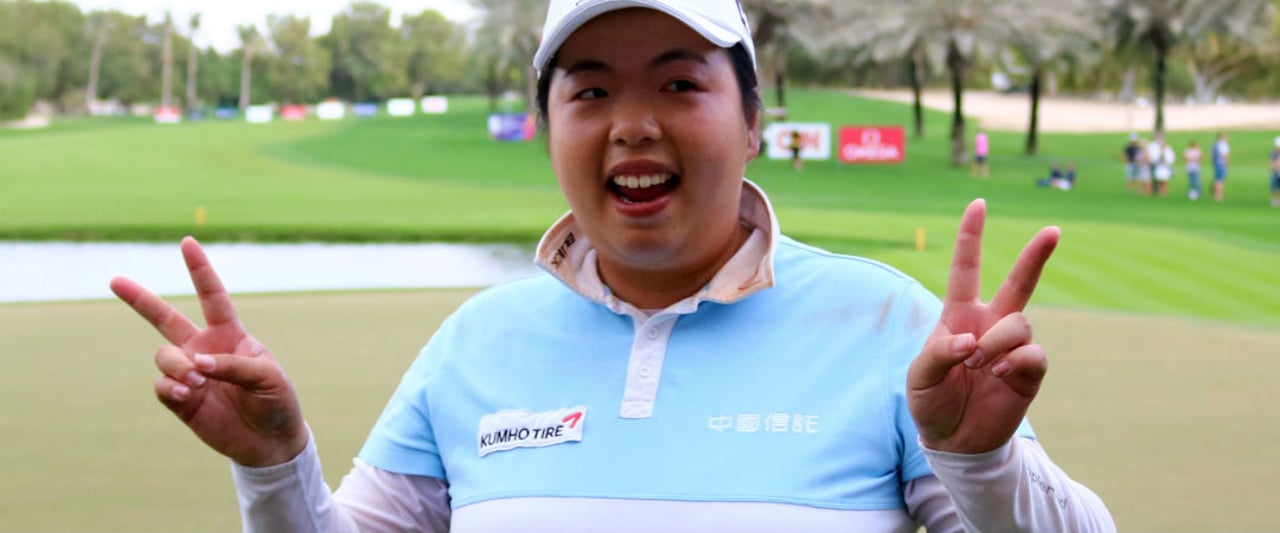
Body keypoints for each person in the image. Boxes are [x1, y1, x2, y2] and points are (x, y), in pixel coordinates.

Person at [109, 2, 1116, 532]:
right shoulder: (476, 341)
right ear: (547, 129)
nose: (632, 124)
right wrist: (275, 466)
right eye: (589, 92)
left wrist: (983, 464)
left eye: (679, 84)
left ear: (752, 122)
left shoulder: (882, 321)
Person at [1211, 131, 1230, 202]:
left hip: (1216, 164)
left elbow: (1212, 156)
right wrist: (1226, 164)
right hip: (1221, 164)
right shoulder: (1223, 145)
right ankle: (1219, 195)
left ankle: (1215, 194)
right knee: (1220, 181)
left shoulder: (1214, 145)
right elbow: (1225, 155)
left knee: (1216, 180)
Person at [1271, 136, 1280, 208]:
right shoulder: (1274, 153)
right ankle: (1274, 200)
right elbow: (1272, 163)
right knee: (1274, 187)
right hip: (1276, 172)